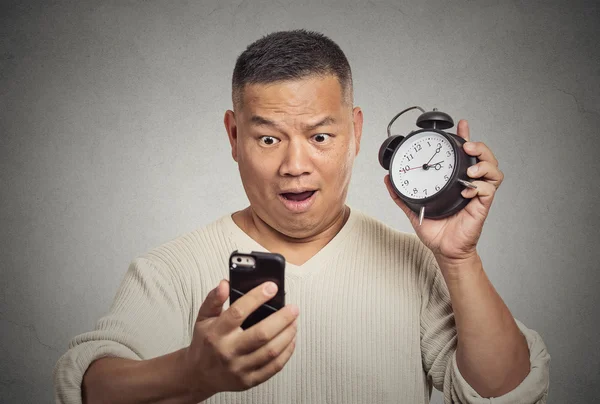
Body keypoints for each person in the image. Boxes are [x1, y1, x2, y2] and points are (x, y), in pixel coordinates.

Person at [54, 29, 550, 404]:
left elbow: (505, 392)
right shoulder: (172, 269)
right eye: (269, 138)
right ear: (233, 136)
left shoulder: (418, 265)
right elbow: (92, 386)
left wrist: (459, 259)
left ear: (356, 133)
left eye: (320, 137)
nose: (295, 167)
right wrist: (192, 371)